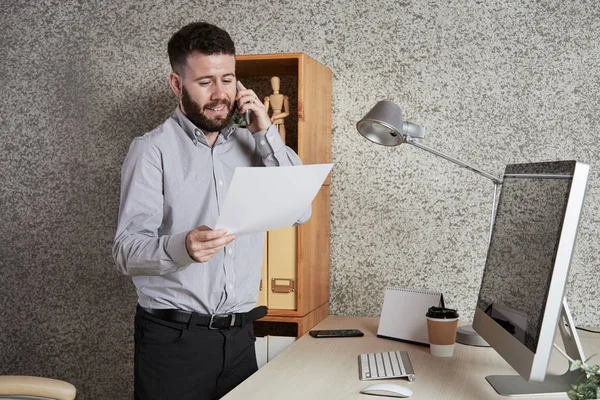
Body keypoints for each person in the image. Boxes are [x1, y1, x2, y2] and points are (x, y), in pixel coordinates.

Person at [112, 21, 310, 400]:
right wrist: (181, 247)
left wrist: (266, 131)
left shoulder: (254, 143)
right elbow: (125, 252)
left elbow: (298, 210)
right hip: (174, 343)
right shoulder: (151, 150)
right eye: (205, 82)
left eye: (229, 79)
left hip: (239, 339)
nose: (221, 94)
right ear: (176, 83)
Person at [263, 76, 290, 142]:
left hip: (279, 121)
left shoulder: (284, 97)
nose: (275, 85)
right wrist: (266, 102)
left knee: (282, 141)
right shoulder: (269, 97)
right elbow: (264, 112)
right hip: (273, 121)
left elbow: (287, 113)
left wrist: (275, 117)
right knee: (273, 141)